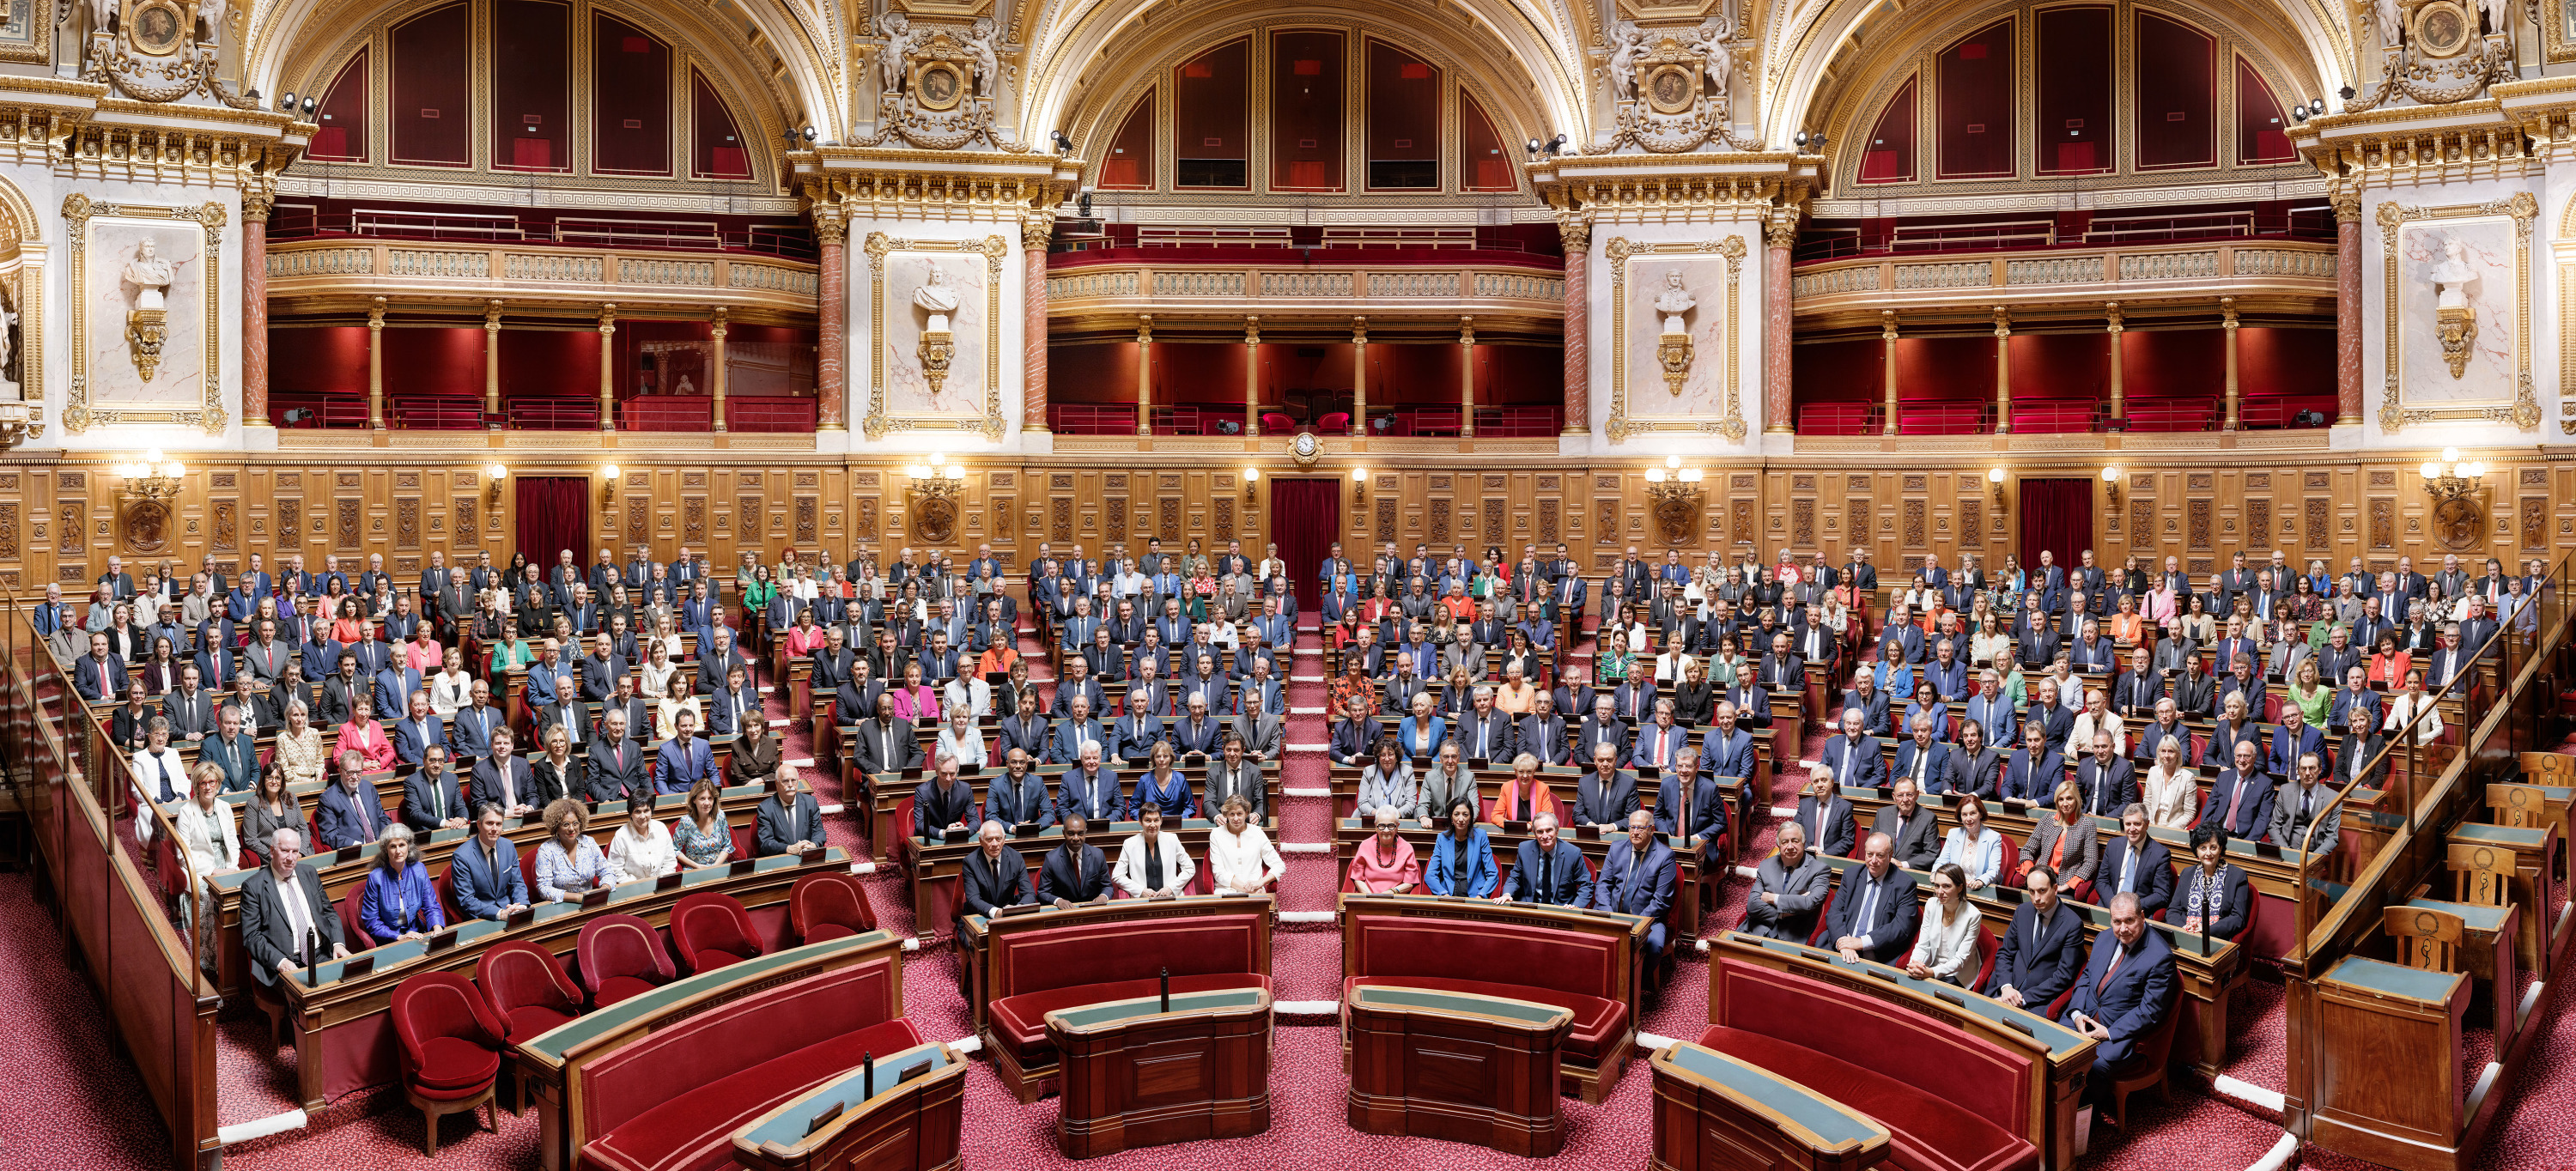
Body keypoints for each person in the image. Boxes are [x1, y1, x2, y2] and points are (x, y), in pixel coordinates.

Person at [2065, 893, 2178, 1105]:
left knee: (2095, 1065)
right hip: (2085, 1017)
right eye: (2117, 922)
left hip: (2120, 1032)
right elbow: (2087, 977)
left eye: (2129, 921)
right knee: (2054, 1043)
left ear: (2142, 917)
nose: (2123, 929)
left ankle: (2089, 1117)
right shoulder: (2104, 938)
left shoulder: (2160, 957)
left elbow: (2150, 1011)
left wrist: (2109, 1032)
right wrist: (2077, 1013)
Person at [239, 828, 351, 985]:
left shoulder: (309, 873)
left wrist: (338, 943)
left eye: (295, 852)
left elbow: (329, 913)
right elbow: (252, 936)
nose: (290, 858)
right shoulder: (253, 887)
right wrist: (280, 962)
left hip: (320, 955)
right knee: (308, 999)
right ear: (272, 851)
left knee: (349, 983)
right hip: (283, 963)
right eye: (285, 851)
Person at [1986, 864, 2086, 1010]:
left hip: (2038, 1000)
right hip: (2007, 987)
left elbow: (2064, 976)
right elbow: (2005, 953)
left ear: (2055, 889)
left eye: (2042, 891)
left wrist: (2023, 999)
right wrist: (2006, 987)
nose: (2036, 898)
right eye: (2031, 892)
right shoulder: (2022, 911)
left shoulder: (2073, 924)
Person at [1826, 832, 1921, 964]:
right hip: (1842, 944)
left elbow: (1901, 927)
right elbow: (1834, 912)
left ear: (1890, 855)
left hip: (1878, 953)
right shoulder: (1851, 875)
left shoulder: (1905, 885)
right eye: (1869, 854)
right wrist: (1844, 943)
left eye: (1880, 855)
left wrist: (1860, 942)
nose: (1873, 861)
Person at [1592, 810, 1677, 953]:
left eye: (1641, 828)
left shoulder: (1665, 857)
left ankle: (1642, 976)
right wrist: (1608, 914)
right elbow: (1603, 884)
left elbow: (1661, 900)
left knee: (1654, 947)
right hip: (1612, 913)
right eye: (1632, 827)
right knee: (1585, 936)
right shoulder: (1616, 848)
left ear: (1652, 830)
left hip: (1647, 917)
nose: (1635, 832)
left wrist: (1637, 923)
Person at [1742, 822, 1831, 941]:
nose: (1790, 846)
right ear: (1778, 845)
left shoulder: (1819, 870)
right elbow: (1752, 906)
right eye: (1785, 842)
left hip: (1792, 934)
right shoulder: (1766, 865)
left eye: (1795, 841)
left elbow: (1809, 903)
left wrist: (1773, 899)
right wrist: (1783, 913)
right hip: (1757, 928)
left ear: (1804, 843)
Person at [359, 823, 445, 945]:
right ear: (385, 849)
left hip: (417, 934)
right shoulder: (375, 878)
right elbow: (372, 921)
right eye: (393, 846)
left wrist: (437, 928)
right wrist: (399, 936)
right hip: (389, 939)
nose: (398, 851)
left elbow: (431, 906)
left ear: (408, 846)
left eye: (402, 845)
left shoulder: (419, 870)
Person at [957, 820, 1035, 943]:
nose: (994, 844)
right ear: (980, 841)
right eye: (989, 839)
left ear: (1004, 839)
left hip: (1009, 917)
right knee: (984, 950)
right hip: (979, 916)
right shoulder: (970, 862)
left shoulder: (1016, 857)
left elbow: (1029, 894)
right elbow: (973, 899)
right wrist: (996, 912)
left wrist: (1015, 910)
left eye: (998, 839)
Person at [450, 803, 532, 919]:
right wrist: (500, 913)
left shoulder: (508, 846)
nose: (494, 829)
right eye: (490, 823)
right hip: (481, 916)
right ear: (479, 824)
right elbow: (467, 900)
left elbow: (517, 883)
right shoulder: (461, 856)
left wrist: (521, 905)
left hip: (509, 909)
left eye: (498, 824)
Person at [1905, 863, 1982, 986]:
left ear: (1960, 887)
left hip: (1957, 973)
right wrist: (1916, 964)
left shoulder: (1973, 915)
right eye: (1937, 886)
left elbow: (1960, 960)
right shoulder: (1931, 904)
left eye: (1946, 886)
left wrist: (1931, 972)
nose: (1939, 892)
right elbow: (1923, 944)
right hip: (1931, 964)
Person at [2020, 780, 2101, 896]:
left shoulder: (2087, 825)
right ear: (2056, 802)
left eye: (2069, 798)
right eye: (2061, 799)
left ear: (2077, 800)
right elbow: (2027, 850)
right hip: (2040, 877)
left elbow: (2091, 863)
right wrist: (2031, 873)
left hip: (2064, 882)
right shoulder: (2047, 819)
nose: (2065, 803)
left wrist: (2067, 886)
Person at [2175, 825, 2253, 939]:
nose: (2208, 853)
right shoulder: (2186, 873)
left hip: (2217, 937)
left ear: (2220, 848)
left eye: (2213, 847)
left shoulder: (2238, 876)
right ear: (2196, 850)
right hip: (2186, 933)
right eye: (2203, 848)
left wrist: (2205, 929)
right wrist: (2184, 928)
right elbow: (2173, 910)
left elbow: (2238, 918)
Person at [1498, 813, 1592, 905]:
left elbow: (1586, 885)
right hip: (1530, 908)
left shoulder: (1573, 853)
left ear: (1557, 831)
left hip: (1562, 910)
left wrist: (1576, 906)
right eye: (1540, 831)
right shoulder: (1524, 849)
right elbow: (1514, 878)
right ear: (1534, 833)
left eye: (1549, 830)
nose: (1545, 836)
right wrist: (1507, 894)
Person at [534, 798, 612, 901]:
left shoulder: (589, 843)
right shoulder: (546, 850)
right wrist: (579, 898)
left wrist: (604, 889)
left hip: (591, 902)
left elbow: (607, 872)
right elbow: (544, 889)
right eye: (566, 824)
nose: (571, 828)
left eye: (575, 823)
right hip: (562, 907)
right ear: (556, 826)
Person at [1112, 803, 1194, 898]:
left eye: (1156, 820)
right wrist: (1141, 891)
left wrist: (1171, 888)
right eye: (1148, 820)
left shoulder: (1172, 839)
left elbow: (1190, 868)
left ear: (1161, 821)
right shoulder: (1129, 844)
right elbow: (1117, 876)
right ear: (1140, 821)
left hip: (1170, 898)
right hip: (1142, 901)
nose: (1153, 825)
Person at [1206, 795, 1285, 894]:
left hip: (1256, 890)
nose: (1236, 818)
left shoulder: (1257, 832)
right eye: (1232, 814)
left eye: (1239, 814)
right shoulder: (1216, 834)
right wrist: (1249, 890)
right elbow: (1219, 873)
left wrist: (1260, 882)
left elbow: (1279, 865)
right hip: (1226, 891)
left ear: (1246, 813)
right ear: (1226, 815)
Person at [2269, 752, 2340, 856]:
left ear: (2320, 770)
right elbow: (2274, 827)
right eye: (2303, 768)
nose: (2307, 773)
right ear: (2298, 770)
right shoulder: (2285, 790)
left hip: (2314, 856)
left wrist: (2312, 859)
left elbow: (2332, 838)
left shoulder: (2333, 798)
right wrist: (2285, 852)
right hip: (2286, 852)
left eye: (2312, 768)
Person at [1425, 797, 1497, 898]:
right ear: (1451, 817)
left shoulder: (1481, 836)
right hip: (1449, 892)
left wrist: (1481, 895)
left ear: (1471, 817)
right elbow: (1430, 874)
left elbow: (1493, 873)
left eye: (1465, 814)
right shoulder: (1442, 838)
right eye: (1456, 814)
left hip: (1475, 893)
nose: (1461, 819)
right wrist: (1443, 893)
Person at [1347, 806, 1422, 894]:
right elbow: (1357, 879)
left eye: (1391, 826)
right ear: (1376, 826)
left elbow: (1410, 882)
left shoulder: (1407, 848)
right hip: (1368, 898)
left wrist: (1392, 892)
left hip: (1395, 899)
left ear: (1397, 827)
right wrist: (1371, 897)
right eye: (1382, 826)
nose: (1386, 830)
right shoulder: (1365, 845)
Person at [1790, 766, 1858, 858]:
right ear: (1812, 785)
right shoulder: (1804, 805)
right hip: (1805, 855)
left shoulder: (1845, 807)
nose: (1819, 785)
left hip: (1830, 858)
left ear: (1832, 783)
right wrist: (1808, 849)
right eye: (1816, 781)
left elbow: (1847, 841)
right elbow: (1795, 833)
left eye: (1824, 780)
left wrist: (1823, 853)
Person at [400, 745, 471, 834]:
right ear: (424, 760)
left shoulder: (452, 779)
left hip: (451, 829)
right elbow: (416, 814)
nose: (437, 765)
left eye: (440, 760)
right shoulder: (411, 782)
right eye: (433, 760)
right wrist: (444, 823)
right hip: (426, 833)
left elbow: (460, 806)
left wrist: (462, 819)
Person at [1485, 753, 1565, 828]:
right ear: (1515, 771)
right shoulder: (1507, 787)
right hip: (1513, 832)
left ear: (1534, 771)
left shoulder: (1543, 788)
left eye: (1529, 771)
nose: (1525, 775)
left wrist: (1529, 826)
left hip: (1535, 833)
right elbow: (1495, 816)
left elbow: (1547, 817)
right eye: (1521, 771)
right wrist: (1513, 826)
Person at [2140, 735, 2199, 830]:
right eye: (2163, 751)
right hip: (2152, 824)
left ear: (2178, 754)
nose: (2166, 755)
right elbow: (2147, 802)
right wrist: (2150, 824)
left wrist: (2170, 830)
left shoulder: (2188, 777)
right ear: (2158, 753)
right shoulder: (2153, 771)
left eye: (2171, 751)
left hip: (2174, 828)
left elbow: (2189, 813)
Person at [1357, 737, 1422, 823]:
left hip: (1400, 821)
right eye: (1383, 755)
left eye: (1390, 754)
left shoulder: (1407, 772)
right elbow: (1362, 802)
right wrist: (1379, 815)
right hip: (1373, 821)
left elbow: (1411, 803)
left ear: (1397, 757)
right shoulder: (1369, 772)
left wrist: (1393, 816)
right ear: (1378, 757)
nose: (1387, 759)